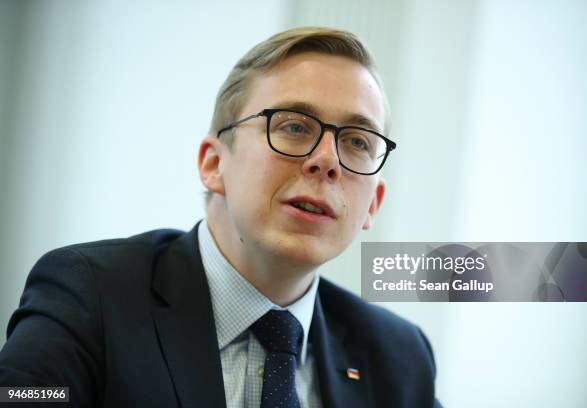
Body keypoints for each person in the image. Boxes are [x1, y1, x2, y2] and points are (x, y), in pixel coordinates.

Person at [0, 27, 441, 407]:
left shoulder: (397, 358)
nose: (327, 161)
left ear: (373, 205)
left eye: (357, 142)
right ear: (214, 164)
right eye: (294, 126)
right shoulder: (91, 296)